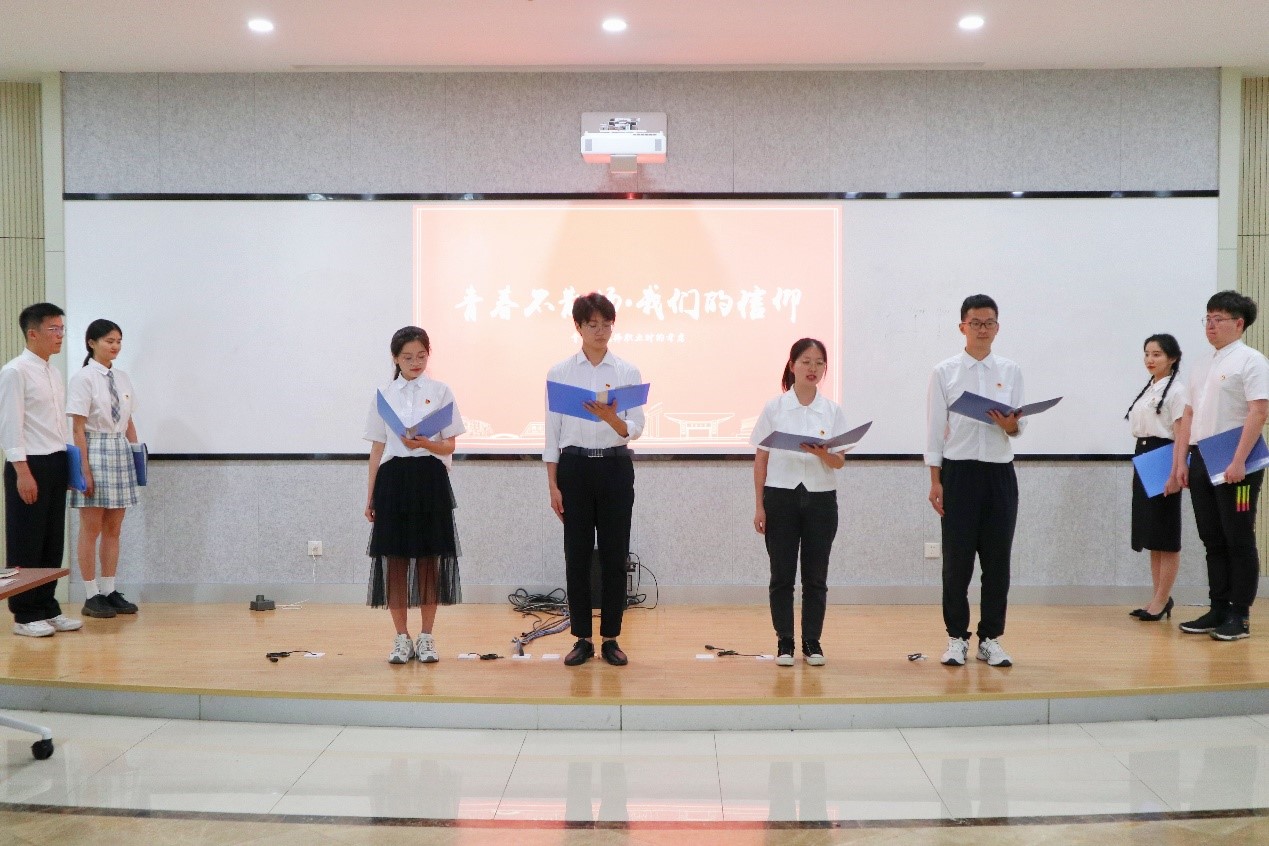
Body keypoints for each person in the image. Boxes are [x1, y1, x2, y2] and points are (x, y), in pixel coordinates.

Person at [545, 293, 644, 667]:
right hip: (574, 468)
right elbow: (551, 435)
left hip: (615, 467)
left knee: (616, 555)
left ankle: (611, 638)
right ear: (578, 327)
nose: (601, 331)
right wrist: (553, 485)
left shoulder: (626, 372)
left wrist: (612, 419)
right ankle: (582, 638)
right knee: (577, 555)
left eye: (607, 324)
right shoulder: (560, 373)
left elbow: (636, 428)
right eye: (593, 325)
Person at [926, 294, 1023, 668]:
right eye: (976, 323)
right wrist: (935, 480)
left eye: (989, 323)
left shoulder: (1010, 370)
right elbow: (935, 429)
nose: (983, 329)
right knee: (957, 562)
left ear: (997, 327)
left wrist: (1009, 424)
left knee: (998, 562)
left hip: (999, 472)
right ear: (962, 327)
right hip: (959, 472)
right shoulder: (945, 372)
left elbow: (1018, 427)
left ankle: (991, 639)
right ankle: (956, 638)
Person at [363, 326, 464, 664]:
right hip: (393, 481)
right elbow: (377, 448)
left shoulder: (440, 391)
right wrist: (369, 496)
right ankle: (401, 638)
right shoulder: (384, 394)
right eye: (408, 357)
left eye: (421, 355)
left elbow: (450, 445)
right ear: (395, 358)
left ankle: (426, 637)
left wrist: (425, 443)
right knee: (394, 561)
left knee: (428, 561)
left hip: (429, 479)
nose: (415, 362)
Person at [750, 338, 851, 666]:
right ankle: (785, 641)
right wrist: (759, 505)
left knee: (815, 576)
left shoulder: (832, 411)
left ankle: (812, 641)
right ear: (792, 365)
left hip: (821, 498)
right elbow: (761, 459)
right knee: (781, 575)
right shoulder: (774, 408)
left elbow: (839, 462)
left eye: (819, 363)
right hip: (780, 497)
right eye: (806, 361)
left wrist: (824, 454)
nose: (813, 368)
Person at [1177, 291, 1269, 641]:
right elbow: (1188, 413)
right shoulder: (1202, 363)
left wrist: (1239, 460)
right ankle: (1217, 608)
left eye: (1218, 319)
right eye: (1208, 319)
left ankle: (1239, 614)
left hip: (1239, 463)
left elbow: (1259, 411)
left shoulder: (1251, 361)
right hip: (1202, 457)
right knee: (1212, 538)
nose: (1210, 326)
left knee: (1238, 537)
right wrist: (1183, 460)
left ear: (1239, 324)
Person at [0, 303, 83, 637]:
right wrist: (22, 470)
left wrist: (68, 467)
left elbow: (57, 425)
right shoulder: (15, 371)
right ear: (32, 333)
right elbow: (10, 425)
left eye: (62, 329)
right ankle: (24, 614)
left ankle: (48, 608)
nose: (60, 335)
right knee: (26, 541)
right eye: (54, 329)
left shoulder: (53, 371)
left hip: (55, 461)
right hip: (29, 463)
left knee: (51, 541)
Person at [67, 319, 142, 619]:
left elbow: (129, 421)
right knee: (91, 527)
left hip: (119, 449)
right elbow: (77, 428)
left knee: (114, 528)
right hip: (94, 448)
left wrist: (136, 456)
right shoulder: (83, 378)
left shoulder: (122, 378)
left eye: (119, 341)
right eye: (109, 341)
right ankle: (91, 594)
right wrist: (83, 468)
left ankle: (109, 590)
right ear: (92, 343)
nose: (115, 346)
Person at [1124, 334, 1189, 622]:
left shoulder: (1178, 391)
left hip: (1165, 458)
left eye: (1157, 354)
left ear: (1172, 358)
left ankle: (1162, 600)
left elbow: (1182, 434)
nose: (1150, 360)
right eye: (1147, 354)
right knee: (1152, 534)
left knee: (1166, 534)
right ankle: (1158, 596)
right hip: (1144, 457)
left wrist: (1175, 472)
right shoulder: (1150, 387)